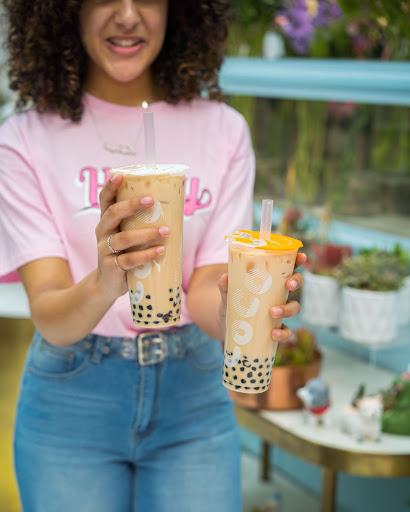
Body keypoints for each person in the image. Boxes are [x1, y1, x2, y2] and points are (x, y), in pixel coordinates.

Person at [0, 1, 306, 511]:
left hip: (193, 401)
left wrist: (236, 311)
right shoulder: (22, 140)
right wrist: (105, 279)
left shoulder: (224, 131)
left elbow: (206, 290)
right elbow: (51, 314)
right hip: (71, 404)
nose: (126, 15)